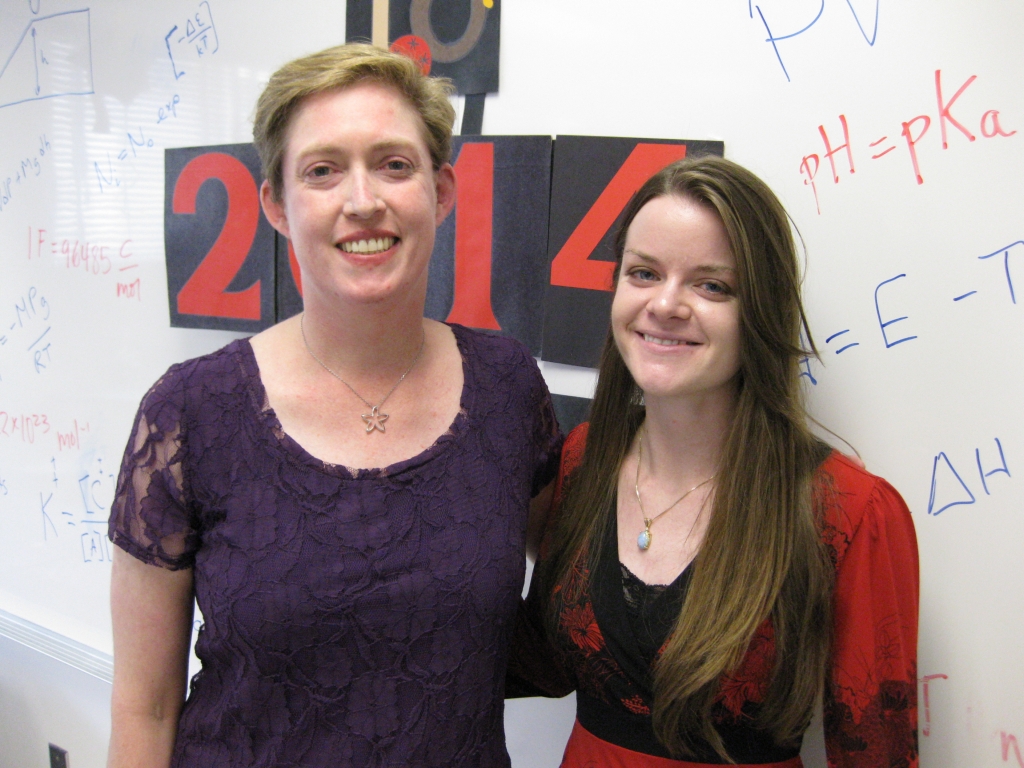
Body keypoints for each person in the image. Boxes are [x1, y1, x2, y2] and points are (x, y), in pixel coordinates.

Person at [106, 44, 560, 768]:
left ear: (441, 191)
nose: (362, 200)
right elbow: (145, 706)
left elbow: (574, 589)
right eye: (322, 170)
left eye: (393, 163)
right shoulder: (189, 413)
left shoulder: (507, 388)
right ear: (276, 205)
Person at [508, 157, 919, 767]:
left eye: (712, 285)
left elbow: (877, 756)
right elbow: (540, 661)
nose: (666, 304)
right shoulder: (581, 461)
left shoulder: (849, 513)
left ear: (761, 311)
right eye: (644, 273)